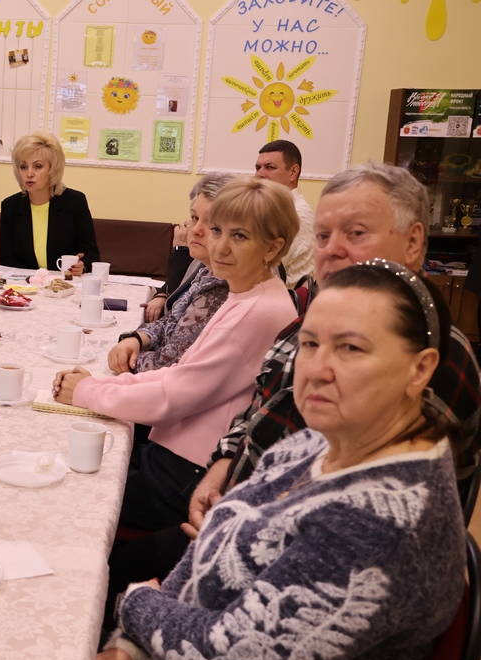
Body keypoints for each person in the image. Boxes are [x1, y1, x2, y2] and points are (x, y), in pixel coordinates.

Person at [73, 263, 467, 660]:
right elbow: (213, 544)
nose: (318, 368)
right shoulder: (324, 440)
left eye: (351, 348)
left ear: (420, 370)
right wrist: (135, 646)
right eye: (310, 344)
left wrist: (138, 604)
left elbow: (232, 653)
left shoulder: (387, 520)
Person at [104, 162, 481, 629]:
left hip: (293, 565)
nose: (333, 249)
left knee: (107, 572)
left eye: (356, 233)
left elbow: (360, 521)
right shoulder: (315, 322)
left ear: (414, 242)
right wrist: (224, 462)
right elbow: (256, 408)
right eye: (323, 236)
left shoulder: (428, 354)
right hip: (236, 509)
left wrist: (232, 529)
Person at [53, 177, 298, 531]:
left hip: (188, 471)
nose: (220, 247)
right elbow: (179, 373)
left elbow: (173, 396)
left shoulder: (257, 310)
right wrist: (101, 386)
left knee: (70, 500)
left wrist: (87, 392)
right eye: (217, 230)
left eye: (240, 236)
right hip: (179, 453)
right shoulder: (249, 292)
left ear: (273, 248)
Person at [107, 173, 234, 375]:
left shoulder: (222, 286)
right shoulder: (207, 270)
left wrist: (126, 358)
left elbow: (171, 364)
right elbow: (173, 319)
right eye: (194, 218)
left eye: (211, 224)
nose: (196, 230)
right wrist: (138, 338)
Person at [0, 133, 100, 275]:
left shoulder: (75, 202)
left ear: (52, 169)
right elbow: (7, 260)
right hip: (26, 283)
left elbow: (92, 254)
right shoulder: (10, 206)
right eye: (23, 167)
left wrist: (82, 265)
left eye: (38, 166)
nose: (29, 173)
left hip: (64, 283)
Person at [254, 139, 316, 288]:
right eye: (258, 167)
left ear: (293, 172)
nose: (260, 174)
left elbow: (257, 269)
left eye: (270, 167)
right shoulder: (276, 210)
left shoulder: (294, 215)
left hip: (282, 298)